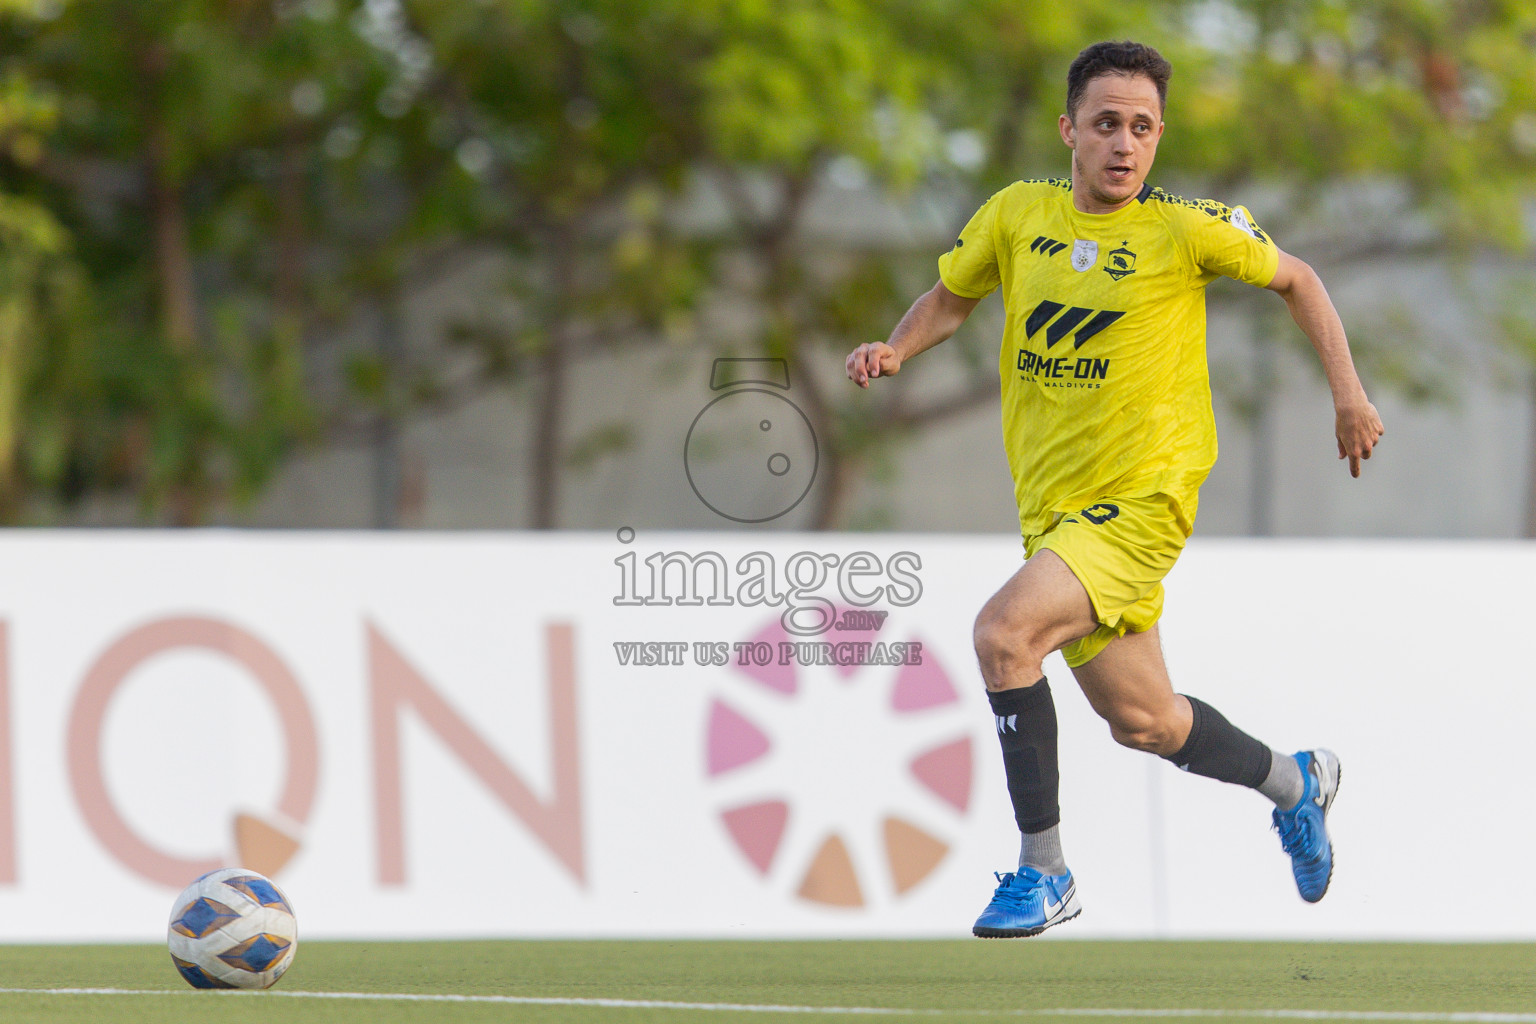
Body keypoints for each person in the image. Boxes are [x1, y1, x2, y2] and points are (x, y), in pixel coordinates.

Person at [845, 40, 1384, 937]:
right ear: (1069, 131)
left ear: (1159, 135)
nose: (1124, 144)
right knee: (1147, 722)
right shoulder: (1018, 215)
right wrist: (897, 346)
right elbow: (952, 295)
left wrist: (1349, 394)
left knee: (1003, 635)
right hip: (1056, 515)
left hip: (1143, 504)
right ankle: (1298, 781)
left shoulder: (1184, 229)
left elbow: (1299, 277)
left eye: (1141, 127)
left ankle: (1044, 872)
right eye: (1105, 125)